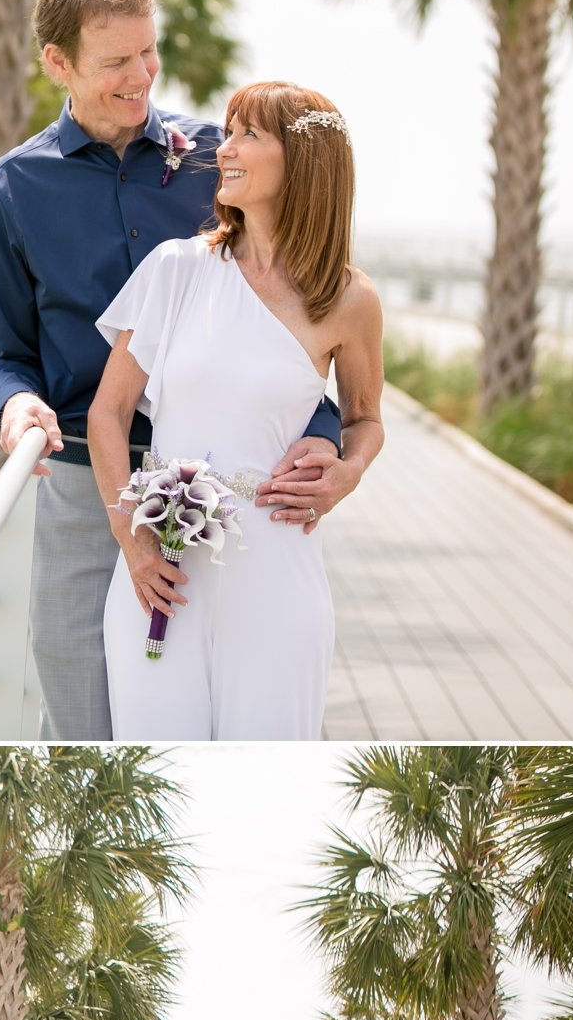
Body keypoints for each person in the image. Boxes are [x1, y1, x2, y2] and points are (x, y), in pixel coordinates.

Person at [0, 0, 366, 743]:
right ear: (59, 62)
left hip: (237, 503)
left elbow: (300, 329)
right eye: (115, 61)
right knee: (82, 733)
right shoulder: (11, 191)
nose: (141, 75)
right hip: (89, 488)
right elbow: (3, 353)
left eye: (148, 51)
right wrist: (16, 403)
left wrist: (328, 445)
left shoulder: (219, 163)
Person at [88, 79, 385, 741]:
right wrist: (131, 539)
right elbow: (108, 415)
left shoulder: (350, 301)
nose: (225, 148)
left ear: (303, 164)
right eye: (227, 131)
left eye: (249, 134)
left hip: (277, 573)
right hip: (161, 573)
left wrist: (349, 468)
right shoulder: (177, 269)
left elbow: (365, 418)